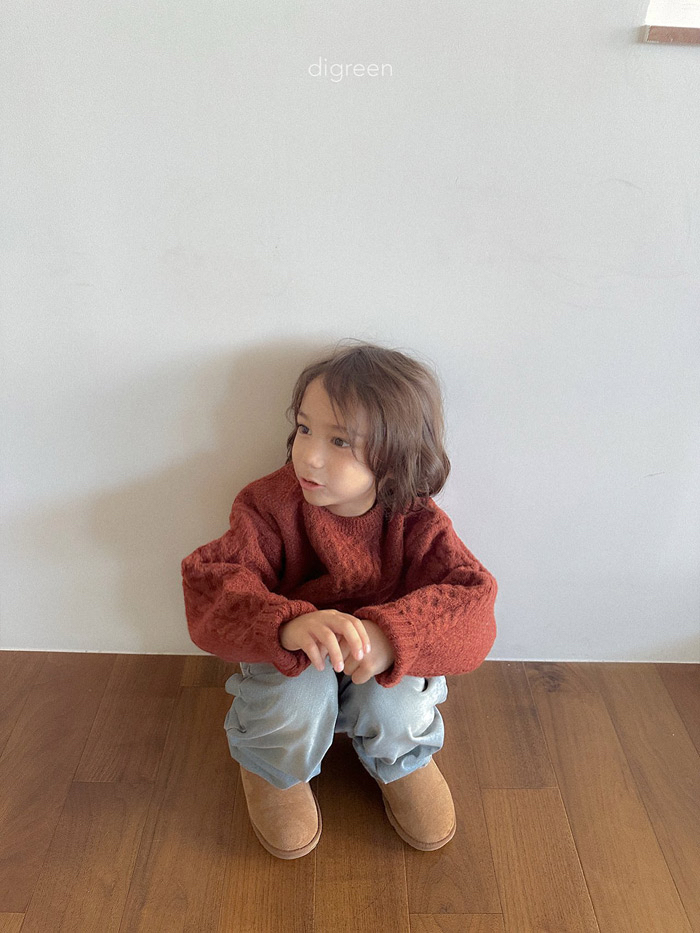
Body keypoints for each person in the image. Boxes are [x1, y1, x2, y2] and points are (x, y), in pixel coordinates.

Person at [181, 341, 497, 859]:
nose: (308, 455)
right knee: (295, 700)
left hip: (376, 664)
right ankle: (274, 768)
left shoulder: (417, 522)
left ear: (394, 457)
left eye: (340, 441)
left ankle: (401, 758)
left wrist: (392, 638)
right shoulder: (268, 504)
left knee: (396, 704)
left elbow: (474, 605)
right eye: (304, 428)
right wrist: (285, 625)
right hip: (295, 657)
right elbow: (211, 583)